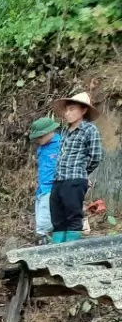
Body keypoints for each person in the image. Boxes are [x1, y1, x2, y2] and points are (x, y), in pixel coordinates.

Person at [49, 91, 102, 243]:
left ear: (83, 110)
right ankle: (57, 251)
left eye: (72, 109)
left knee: (73, 216)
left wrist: (82, 173)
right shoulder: (65, 131)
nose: (67, 113)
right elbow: (61, 155)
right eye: (66, 110)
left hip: (75, 179)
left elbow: (95, 156)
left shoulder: (89, 129)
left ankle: (71, 253)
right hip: (59, 179)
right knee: (57, 217)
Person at [29, 116, 61, 242]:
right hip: (42, 188)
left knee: (45, 221)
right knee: (41, 215)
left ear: (49, 132)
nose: (39, 139)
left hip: (53, 187)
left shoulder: (61, 144)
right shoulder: (41, 148)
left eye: (40, 136)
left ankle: (44, 241)